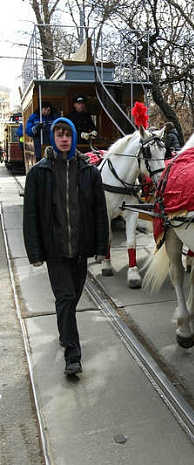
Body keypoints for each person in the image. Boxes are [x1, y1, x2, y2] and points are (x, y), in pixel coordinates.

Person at [23, 118, 109, 376]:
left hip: (80, 249)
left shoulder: (88, 172)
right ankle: (73, 354)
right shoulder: (39, 173)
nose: (64, 139)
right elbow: (31, 216)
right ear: (53, 137)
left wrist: (100, 246)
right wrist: (35, 252)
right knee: (66, 297)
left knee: (72, 299)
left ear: (73, 138)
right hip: (55, 249)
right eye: (59, 134)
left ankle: (65, 331)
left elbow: (99, 212)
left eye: (68, 134)